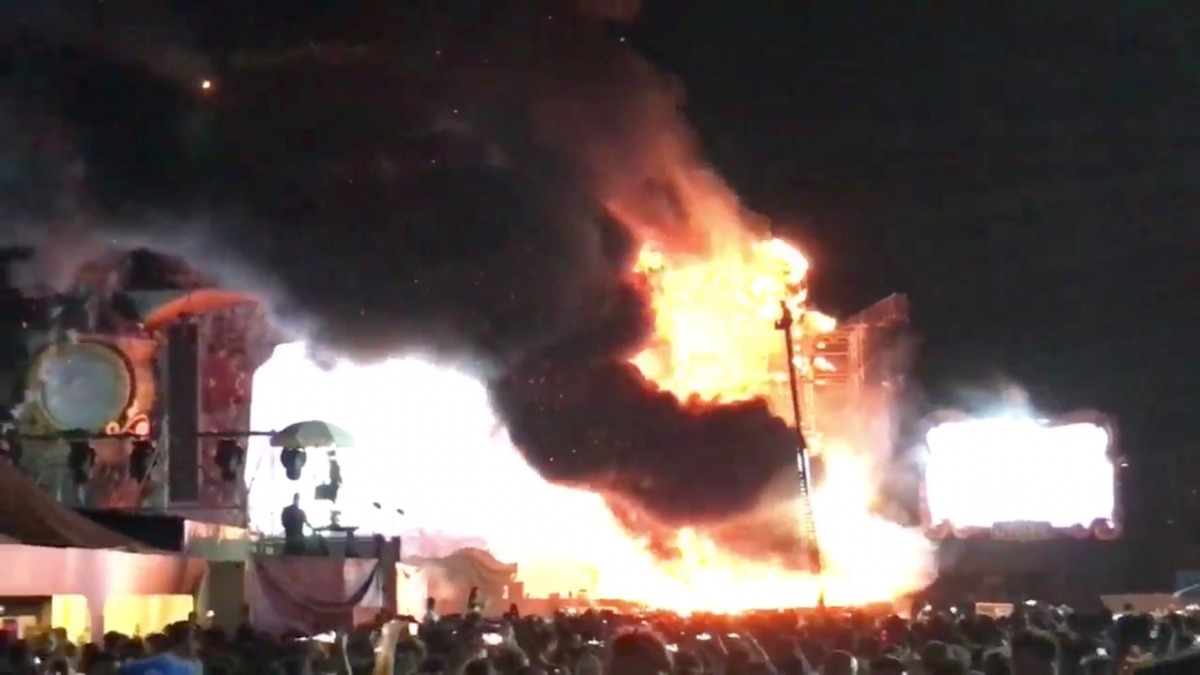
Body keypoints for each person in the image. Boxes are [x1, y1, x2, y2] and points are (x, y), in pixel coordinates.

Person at [118, 622, 201, 674]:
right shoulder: (162, 663)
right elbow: (124, 669)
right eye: (196, 639)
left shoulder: (194, 664)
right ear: (185, 641)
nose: (199, 645)